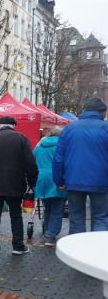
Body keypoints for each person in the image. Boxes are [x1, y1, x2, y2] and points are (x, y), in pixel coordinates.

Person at [0, 116, 38, 258]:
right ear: (13, 125)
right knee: (16, 216)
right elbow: (30, 164)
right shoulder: (21, 138)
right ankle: (18, 246)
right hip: (15, 184)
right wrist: (31, 181)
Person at [53, 97, 108, 233]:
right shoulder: (106, 128)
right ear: (102, 112)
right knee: (100, 218)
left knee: (76, 219)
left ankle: (77, 252)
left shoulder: (69, 129)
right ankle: (98, 252)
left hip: (73, 180)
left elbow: (58, 158)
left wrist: (59, 179)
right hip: (101, 181)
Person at [34, 127, 66, 246]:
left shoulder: (40, 146)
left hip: (42, 179)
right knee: (57, 208)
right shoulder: (63, 146)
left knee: (47, 207)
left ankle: (47, 230)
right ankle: (51, 234)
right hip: (57, 179)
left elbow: (33, 160)